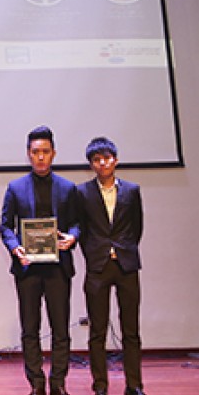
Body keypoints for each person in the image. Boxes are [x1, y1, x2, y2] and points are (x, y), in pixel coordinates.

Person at [0, 126, 79, 395]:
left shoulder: (68, 188)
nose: (41, 157)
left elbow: (78, 223)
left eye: (45, 152)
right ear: (28, 154)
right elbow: (5, 226)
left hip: (59, 267)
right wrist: (14, 247)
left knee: (60, 328)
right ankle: (36, 383)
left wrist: (73, 237)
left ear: (53, 153)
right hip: (28, 268)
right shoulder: (15, 187)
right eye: (35, 152)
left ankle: (58, 382)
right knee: (29, 328)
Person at [76, 137, 145, 395]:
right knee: (97, 331)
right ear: (91, 164)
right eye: (97, 160)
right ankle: (100, 386)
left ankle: (134, 385)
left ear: (115, 159)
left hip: (127, 265)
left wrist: (123, 249)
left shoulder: (132, 190)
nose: (102, 163)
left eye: (107, 158)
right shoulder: (81, 193)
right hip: (98, 266)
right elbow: (81, 229)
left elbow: (137, 227)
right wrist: (97, 252)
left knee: (131, 330)